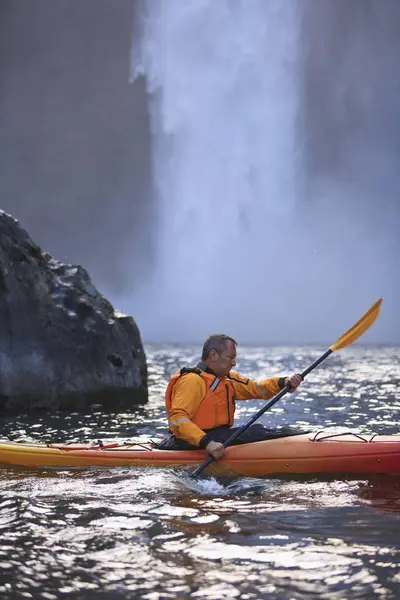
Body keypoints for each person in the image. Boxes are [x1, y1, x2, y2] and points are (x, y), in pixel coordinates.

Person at [158, 334, 304, 459]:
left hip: (214, 437)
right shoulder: (192, 380)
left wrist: (283, 382)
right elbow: (178, 420)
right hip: (190, 442)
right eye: (230, 357)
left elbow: (257, 389)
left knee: (259, 430)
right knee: (256, 432)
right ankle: (302, 443)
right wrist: (207, 443)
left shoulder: (226, 379)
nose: (234, 363)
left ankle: (303, 436)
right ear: (213, 355)